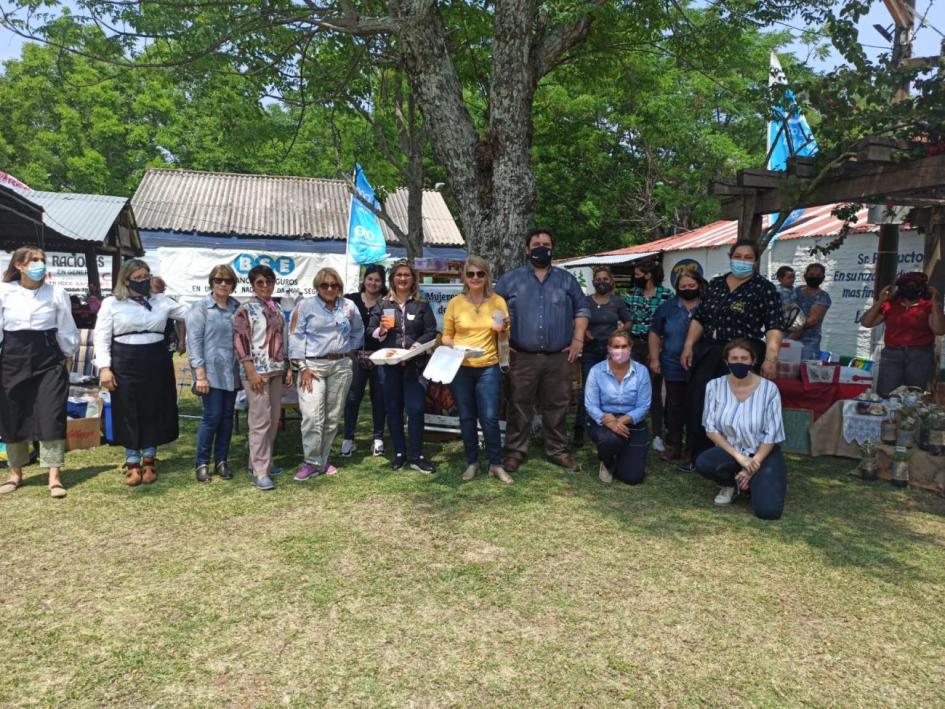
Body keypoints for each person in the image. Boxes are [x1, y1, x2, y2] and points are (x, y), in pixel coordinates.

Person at [679, 240, 783, 466]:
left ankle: (741, 457)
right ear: (731, 257)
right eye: (739, 256)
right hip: (710, 351)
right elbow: (700, 318)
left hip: (743, 355)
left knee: (739, 406)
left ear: (755, 261)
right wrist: (688, 346)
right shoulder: (715, 284)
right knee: (699, 401)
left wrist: (771, 358)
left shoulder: (764, 289)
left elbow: (774, 326)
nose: (743, 261)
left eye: (748, 257)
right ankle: (697, 455)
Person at [495, 228, 590, 473]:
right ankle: (516, 451)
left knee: (557, 404)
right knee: (518, 404)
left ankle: (557, 450)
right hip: (521, 356)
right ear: (526, 249)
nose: (541, 247)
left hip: (558, 356)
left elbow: (581, 309)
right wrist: (502, 345)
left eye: (545, 243)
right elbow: (494, 312)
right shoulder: (510, 280)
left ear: (552, 248)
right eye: (536, 243)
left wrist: (578, 339)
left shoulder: (566, 280)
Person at [95, 259, 188, 486]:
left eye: (145, 277)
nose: (142, 281)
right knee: (128, 407)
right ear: (126, 280)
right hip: (125, 359)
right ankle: (132, 460)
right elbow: (101, 336)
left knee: (153, 407)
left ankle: (149, 458)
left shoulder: (161, 301)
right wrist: (105, 368)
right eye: (137, 278)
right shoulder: (111, 304)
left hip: (156, 358)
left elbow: (189, 313)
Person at [0, 246, 78, 499]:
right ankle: (16, 473)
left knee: (51, 412)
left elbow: (66, 327)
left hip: (49, 357)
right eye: (33, 260)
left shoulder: (56, 292)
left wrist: (68, 356)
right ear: (19, 266)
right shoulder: (5, 292)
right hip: (13, 355)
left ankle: (54, 475)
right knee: (13, 412)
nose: (39, 264)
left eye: (42, 260)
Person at [695, 338, 787, 519]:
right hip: (732, 451)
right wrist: (740, 458)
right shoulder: (714, 386)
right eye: (734, 358)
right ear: (726, 361)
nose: (739, 362)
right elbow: (711, 429)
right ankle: (730, 484)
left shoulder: (769, 389)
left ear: (753, 361)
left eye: (744, 358)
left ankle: (751, 480)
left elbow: (772, 434)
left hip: (763, 453)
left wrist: (752, 465)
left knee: (768, 512)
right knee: (704, 463)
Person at [442, 255, 512, 484]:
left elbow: (504, 335)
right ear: (464, 276)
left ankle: (495, 464)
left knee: (490, 417)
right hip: (460, 367)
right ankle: (472, 462)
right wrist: (453, 346)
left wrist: (503, 329)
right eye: (470, 273)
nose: (475, 278)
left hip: (488, 367)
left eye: (480, 274)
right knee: (466, 417)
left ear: (486, 276)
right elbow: (447, 336)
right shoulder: (455, 303)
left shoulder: (498, 302)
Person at [289, 267, 364, 481]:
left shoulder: (349, 306)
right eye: (325, 285)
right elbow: (295, 337)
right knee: (312, 416)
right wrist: (302, 367)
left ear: (340, 287)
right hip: (313, 367)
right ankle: (311, 461)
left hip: (341, 365)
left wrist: (350, 348)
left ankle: (322, 460)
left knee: (332, 417)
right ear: (317, 287)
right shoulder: (305, 306)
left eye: (334, 285)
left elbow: (359, 329)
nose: (330, 289)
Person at [369, 260, 437, 472]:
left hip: (415, 365)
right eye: (399, 275)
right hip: (390, 365)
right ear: (392, 279)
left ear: (413, 279)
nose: (403, 278)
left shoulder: (422, 304)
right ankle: (399, 452)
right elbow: (370, 331)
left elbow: (431, 331)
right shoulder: (382, 304)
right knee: (393, 408)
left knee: (415, 409)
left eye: (407, 275)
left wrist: (414, 348)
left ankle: (417, 455)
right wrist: (380, 330)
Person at [234, 264, 293, 491]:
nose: (266, 286)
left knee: (273, 418)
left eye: (269, 281)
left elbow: (284, 339)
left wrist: (287, 367)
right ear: (252, 284)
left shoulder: (276, 308)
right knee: (259, 421)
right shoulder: (245, 309)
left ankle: (261, 462)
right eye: (260, 282)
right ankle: (260, 471)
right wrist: (249, 370)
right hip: (256, 372)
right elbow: (240, 341)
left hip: (276, 369)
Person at [186, 264, 241, 483]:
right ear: (212, 282)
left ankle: (221, 460)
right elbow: (194, 341)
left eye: (228, 281)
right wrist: (200, 374)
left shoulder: (237, 308)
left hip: (232, 371)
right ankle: (201, 463)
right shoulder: (200, 308)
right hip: (209, 372)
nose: (223, 284)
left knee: (227, 418)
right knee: (212, 416)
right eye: (219, 280)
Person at [648, 271, 704, 462]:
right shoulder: (667, 308)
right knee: (674, 406)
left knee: (697, 406)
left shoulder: (707, 306)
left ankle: (692, 447)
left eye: (691, 286)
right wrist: (654, 359)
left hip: (700, 365)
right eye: (683, 287)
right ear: (677, 288)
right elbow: (654, 333)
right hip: (672, 364)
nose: (688, 289)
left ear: (699, 285)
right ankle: (674, 445)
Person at [860, 271, 945, 397]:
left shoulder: (927, 306)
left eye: (915, 286)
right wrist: (880, 300)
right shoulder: (891, 304)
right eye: (907, 285)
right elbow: (866, 322)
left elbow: (939, 330)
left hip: (920, 356)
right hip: (892, 355)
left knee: (915, 396)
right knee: (886, 394)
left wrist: (935, 302)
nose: (911, 289)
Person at [572, 266, 631, 447]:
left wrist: (619, 331)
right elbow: (577, 318)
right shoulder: (586, 301)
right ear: (593, 281)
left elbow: (628, 321)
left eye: (605, 279)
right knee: (588, 389)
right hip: (590, 349)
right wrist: (585, 331)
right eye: (598, 279)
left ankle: (603, 427)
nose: (602, 282)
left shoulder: (617, 302)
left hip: (610, 352)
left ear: (611, 281)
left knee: (608, 390)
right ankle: (579, 430)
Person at [584, 330, 652, 485]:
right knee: (609, 440)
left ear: (630, 347)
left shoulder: (641, 372)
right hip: (604, 419)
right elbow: (591, 404)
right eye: (616, 346)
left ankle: (620, 455)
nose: (620, 351)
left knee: (632, 478)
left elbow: (644, 406)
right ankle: (607, 461)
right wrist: (607, 420)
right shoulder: (596, 371)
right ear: (609, 348)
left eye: (623, 346)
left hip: (631, 421)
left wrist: (620, 421)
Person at [624, 258, 672, 453]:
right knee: (631, 388)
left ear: (649, 275)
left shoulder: (666, 295)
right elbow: (626, 320)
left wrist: (658, 350)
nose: (635, 279)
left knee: (654, 391)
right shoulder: (631, 295)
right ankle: (632, 428)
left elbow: (668, 323)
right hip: (634, 344)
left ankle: (658, 434)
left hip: (656, 346)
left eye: (637, 275)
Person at [341, 265, 387, 458]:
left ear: (382, 283)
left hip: (380, 356)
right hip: (355, 355)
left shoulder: (387, 302)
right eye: (370, 279)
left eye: (377, 280)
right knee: (352, 398)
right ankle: (348, 438)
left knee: (379, 398)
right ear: (364, 280)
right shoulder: (350, 300)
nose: (373, 283)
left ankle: (378, 438)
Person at [788, 263, 831, 360]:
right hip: (787, 341)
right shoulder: (797, 290)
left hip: (808, 344)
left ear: (823, 278)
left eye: (818, 276)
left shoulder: (823, 297)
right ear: (805, 275)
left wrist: (790, 337)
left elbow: (811, 320)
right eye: (811, 275)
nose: (814, 277)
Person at [150, 275, 186, 355]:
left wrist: (181, 341)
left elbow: (181, 320)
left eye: (157, 286)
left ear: (163, 288)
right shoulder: (143, 301)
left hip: (167, 338)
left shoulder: (169, 302)